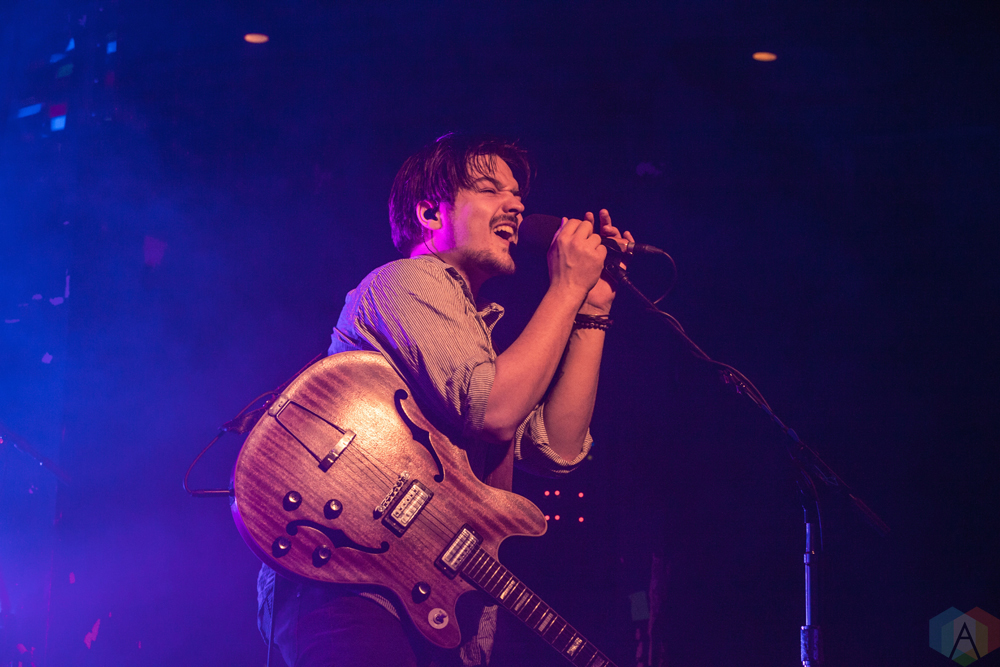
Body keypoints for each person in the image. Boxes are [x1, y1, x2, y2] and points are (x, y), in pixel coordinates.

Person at [257, 134, 633, 667]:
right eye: (490, 189)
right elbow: (496, 412)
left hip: (428, 594)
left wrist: (591, 311)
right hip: (350, 581)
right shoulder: (403, 282)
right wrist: (565, 289)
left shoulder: (474, 336)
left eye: (518, 194)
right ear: (431, 213)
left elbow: (556, 448)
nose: (517, 206)